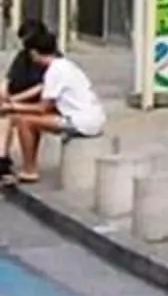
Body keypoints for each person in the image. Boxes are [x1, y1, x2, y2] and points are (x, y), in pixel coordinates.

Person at [4, 24, 106, 183]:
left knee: (24, 121)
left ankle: (29, 170)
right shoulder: (65, 65)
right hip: (92, 117)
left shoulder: (54, 71)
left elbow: (42, 108)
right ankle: (29, 165)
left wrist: (12, 107)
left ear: (34, 53)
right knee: (31, 119)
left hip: (81, 122)